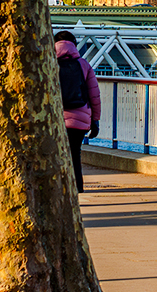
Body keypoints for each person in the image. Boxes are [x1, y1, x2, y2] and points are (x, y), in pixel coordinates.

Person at [55, 30, 101, 194]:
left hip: (55, 118)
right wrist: (95, 120)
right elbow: (94, 94)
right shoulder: (84, 64)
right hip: (79, 119)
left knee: (55, 155)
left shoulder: (48, 63)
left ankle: (59, 189)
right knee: (75, 154)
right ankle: (77, 188)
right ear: (74, 44)